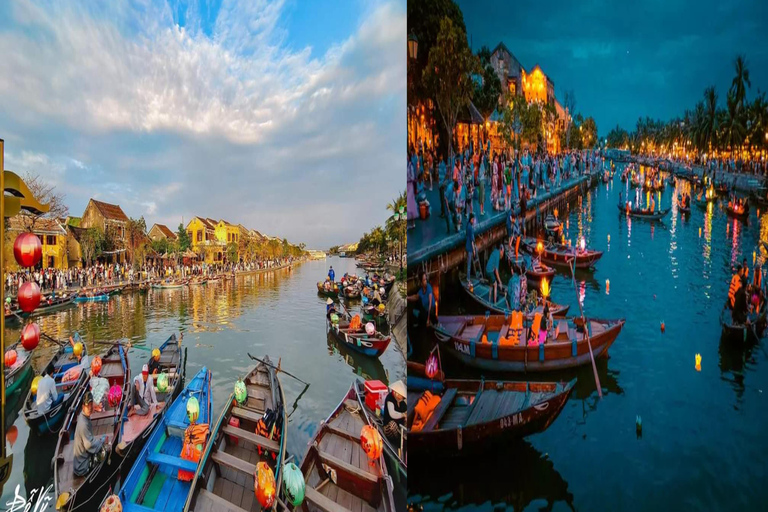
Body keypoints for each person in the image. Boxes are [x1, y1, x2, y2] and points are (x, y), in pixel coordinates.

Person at [73, 391, 107, 476]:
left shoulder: (83, 416)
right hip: (82, 467)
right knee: (104, 452)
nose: (90, 408)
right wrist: (101, 441)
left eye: (91, 405)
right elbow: (89, 445)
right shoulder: (83, 424)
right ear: (83, 407)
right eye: (87, 406)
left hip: (79, 462)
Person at [466, 213, 476, 281]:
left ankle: (468, 276)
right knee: (469, 264)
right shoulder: (471, 228)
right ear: (471, 219)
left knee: (468, 263)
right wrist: (474, 250)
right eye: (473, 219)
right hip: (470, 247)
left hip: (467, 245)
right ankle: (468, 278)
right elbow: (472, 240)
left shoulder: (468, 226)